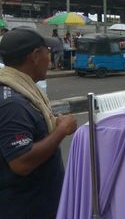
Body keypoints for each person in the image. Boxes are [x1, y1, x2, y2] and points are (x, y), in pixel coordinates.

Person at [0, 28, 77, 218]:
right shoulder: (12, 104)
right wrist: (61, 130)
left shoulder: (21, 92)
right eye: (47, 52)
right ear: (35, 56)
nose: (49, 58)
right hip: (25, 208)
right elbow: (21, 162)